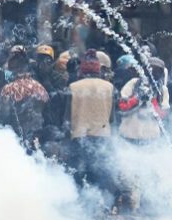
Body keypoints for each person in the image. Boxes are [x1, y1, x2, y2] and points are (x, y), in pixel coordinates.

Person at [64, 49, 119, 211]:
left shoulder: (73, 87)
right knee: (100, 175)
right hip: (103, 137)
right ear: (98, 70)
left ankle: (80, 210)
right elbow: (112, 119)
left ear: (82, 70)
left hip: (79, 138)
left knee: (79, 176)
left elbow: (66, 119)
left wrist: (65, 141)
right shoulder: (109, 88)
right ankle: (100, 209)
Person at [0, 46, 49, 151]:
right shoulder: (40, 88)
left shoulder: (9, 89)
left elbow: (4, 114)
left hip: (15, 139)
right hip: (37, 137)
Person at [118, 57, 169, 143]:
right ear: (144, 70)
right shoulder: (134, 83)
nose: (153, 72)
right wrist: (137, 98)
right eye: (150, 69)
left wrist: (153, 100)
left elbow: (163, 115)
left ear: (161, 73)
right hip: (129, 133)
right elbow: (121, 106)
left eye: (157, 70)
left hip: (151, 137)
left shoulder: (162, 90)